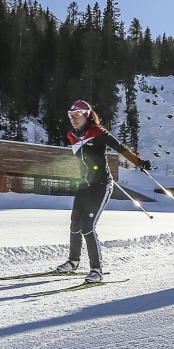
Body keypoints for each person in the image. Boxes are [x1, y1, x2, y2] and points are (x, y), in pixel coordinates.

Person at [56, 100, 152, 283]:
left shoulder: (98, 132)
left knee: (87, 225)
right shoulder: (72, 135)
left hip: (102, 185)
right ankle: (73, 261)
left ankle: (96, 270)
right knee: (75, 221)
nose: (73, 119)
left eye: (77, 115)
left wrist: (139, 162)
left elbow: (120, 148)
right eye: (70, 115)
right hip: (85, 184)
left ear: (86, 115)